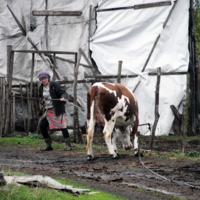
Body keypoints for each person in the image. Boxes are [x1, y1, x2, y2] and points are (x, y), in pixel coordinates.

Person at [38, 71, 71, 151]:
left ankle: (68, 145)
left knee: (63, 126)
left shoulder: (54, 85)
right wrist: (42, 100)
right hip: (48, 111)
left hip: (57, 109)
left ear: (48, 78)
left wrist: (63, 97)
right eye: (41, 79)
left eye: (45, 78)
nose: (43, 80)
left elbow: (63, 93)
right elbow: (39, 97)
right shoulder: (41, 87)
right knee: (42, 125)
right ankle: (48, 145)